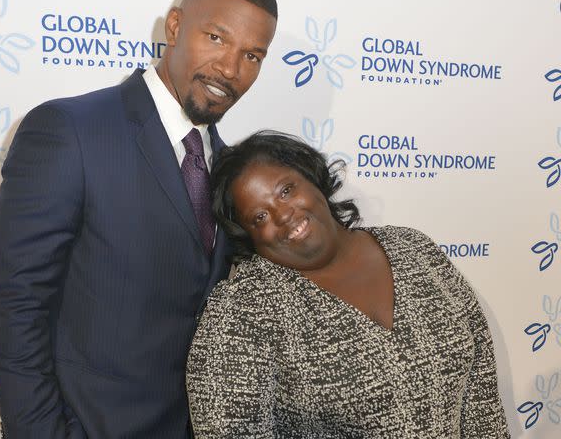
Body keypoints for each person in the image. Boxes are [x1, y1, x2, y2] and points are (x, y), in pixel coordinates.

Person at [0, 0, 277, 439]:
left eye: (253, 55)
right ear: (175, 26)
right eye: (217, 38)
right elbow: (14, 308)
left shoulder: (229, 172)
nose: (231, 69)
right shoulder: (69, 131)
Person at [186, 131, 511, 438]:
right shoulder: (243, 308)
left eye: (286, 191)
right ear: (249, 236)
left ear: (313, 179)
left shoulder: (415, 249)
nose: (282, 215)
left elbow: (481, 395)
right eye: (259, 217)